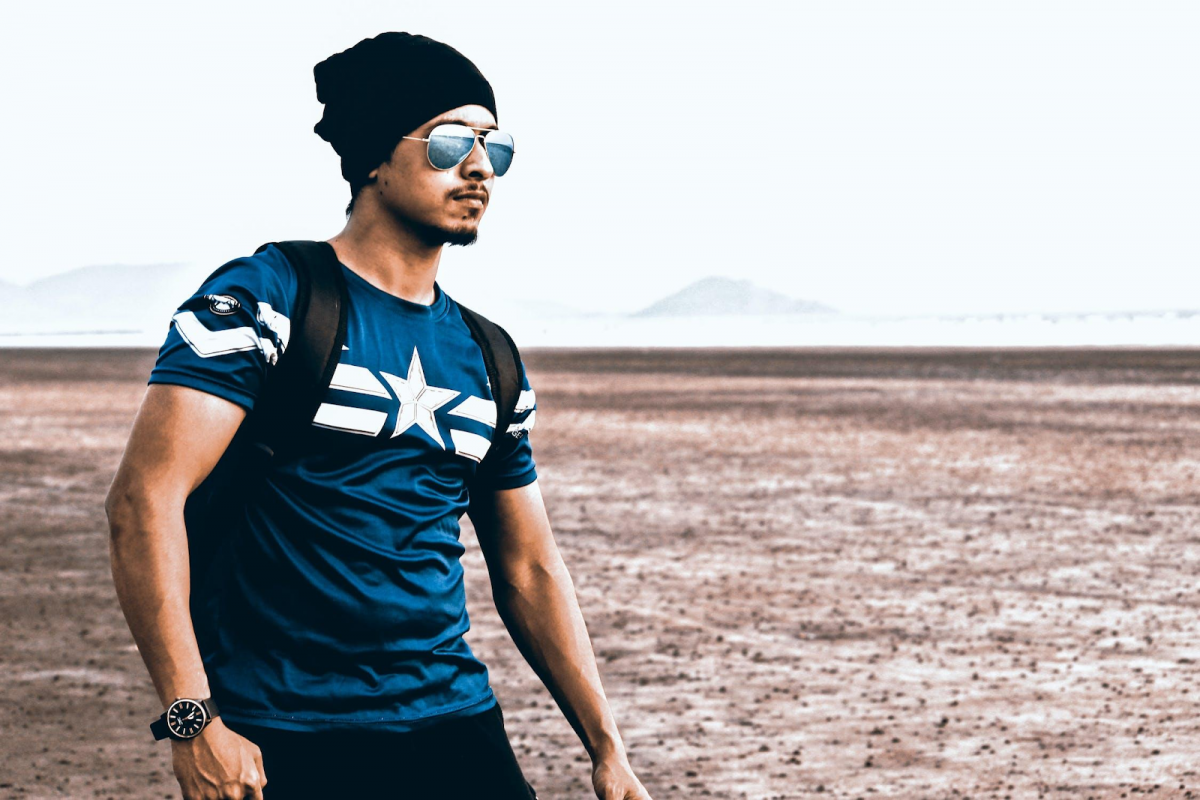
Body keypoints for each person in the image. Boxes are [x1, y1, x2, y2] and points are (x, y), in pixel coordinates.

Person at [105, 32, 653, 800]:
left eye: (494, 148)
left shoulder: (488, 357)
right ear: (372, 156)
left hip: (454, 724)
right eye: (450, 143)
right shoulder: (267, 300)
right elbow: (143, 500)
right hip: (284, 734)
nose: (478, 168)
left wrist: (607, 748)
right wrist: (192, 722)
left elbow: (529, 566)